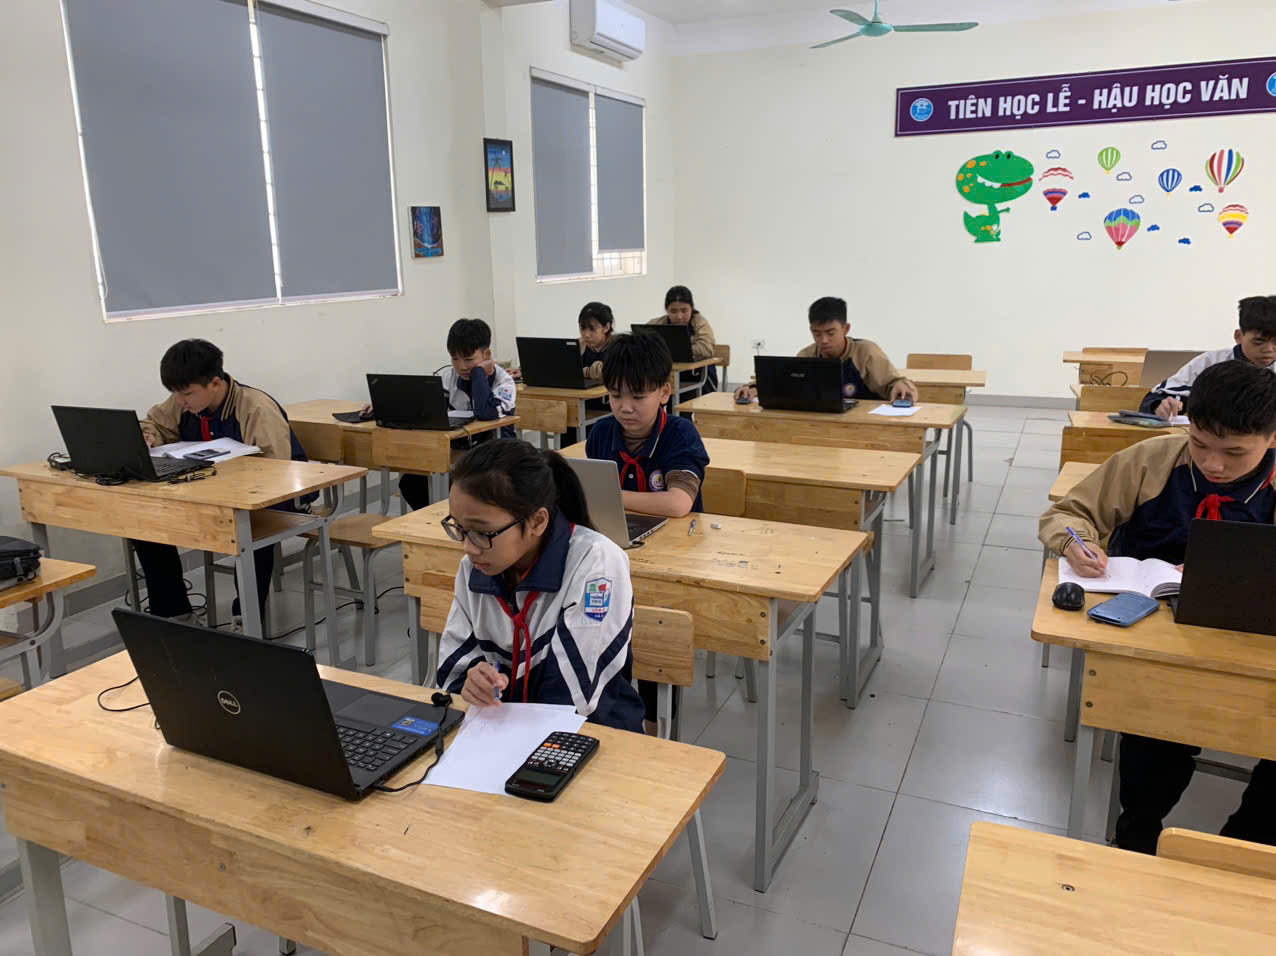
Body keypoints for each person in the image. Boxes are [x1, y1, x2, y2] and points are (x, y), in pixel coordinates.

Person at [1039, 360, 1276, 853]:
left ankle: (1241, 849)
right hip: (1154, 636)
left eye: (1234, 452)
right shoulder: (1153, 460)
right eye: (1201, 444)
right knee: (1155, 731)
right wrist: (1076, 543)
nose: (1213, 464)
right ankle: (1137, 833)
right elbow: (1069, 513)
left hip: (1252, 640)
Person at [435, 439, 645, 733]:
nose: (469, 547)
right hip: (502, 729)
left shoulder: (596, 563)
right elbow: (453, 671)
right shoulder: (475, 567)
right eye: (459, 528)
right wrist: (473, 682)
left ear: (537, 521)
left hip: (594, 732)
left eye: (482, 532)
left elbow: (571, 698)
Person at [135, 339, 314, 627]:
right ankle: (174, 613)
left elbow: (275, 471)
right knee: (145, 525)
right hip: (212, 492)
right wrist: (148, 435)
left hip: (282, 492)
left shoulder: (255, 408)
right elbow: (155, 423)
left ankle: (247, 619)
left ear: (215, 384)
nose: (180, 401)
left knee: (251, 528)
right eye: (174, 393)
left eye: (187, 393)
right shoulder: (183, 403)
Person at [585, 332, 710, 517]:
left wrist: (609, 496)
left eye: (638, 397)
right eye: (616, 395)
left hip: (679, 534)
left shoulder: (681, 433)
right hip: (620, 531)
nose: (625, 408)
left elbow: (678, 504)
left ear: (664, 393)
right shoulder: (601, 433)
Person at [398, 318, 518, 510]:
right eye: (455, 359)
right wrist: (380, 407)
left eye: (469, 359)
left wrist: (478, 374)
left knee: (470, 486)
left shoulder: (504, 382)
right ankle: (438, 521)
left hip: (496, 456)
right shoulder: (449, 377)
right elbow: (424, 407)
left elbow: (485, 413)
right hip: (460, 453)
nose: (461, 366)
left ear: (486, 355)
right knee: (411, 482)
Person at [734, 296, 919, 403]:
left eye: (831, 333)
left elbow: (895, 383)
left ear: (846, 329)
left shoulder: (867, 353)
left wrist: (901, 387)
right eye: (816, 333)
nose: (823, 340)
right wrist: (754, 388)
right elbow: (784, 385)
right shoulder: (806, 355)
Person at [1140, 295, 1276, 418]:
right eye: (1258, 341)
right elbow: (1156, 399)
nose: (1269, 350)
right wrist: (1160, 407)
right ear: (1238, 336)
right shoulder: (1210, 362)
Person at [649, 285, 718, 392]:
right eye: (673, 311)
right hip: (669, 378)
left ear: (692, 308)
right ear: (667, 310)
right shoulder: (657, 323)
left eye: (684, 311)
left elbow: (706, 348)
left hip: (699, 380)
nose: (679, 316)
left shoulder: (700, 323)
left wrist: (672, 350)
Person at [579, 301, 616, 381]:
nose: (586, 335)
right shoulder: (578, 345)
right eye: (582, 328)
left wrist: (583, 372)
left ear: (606, 327)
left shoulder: (619, 346)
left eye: (592, 329)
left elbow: (612, 373)